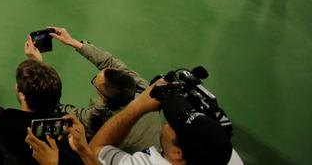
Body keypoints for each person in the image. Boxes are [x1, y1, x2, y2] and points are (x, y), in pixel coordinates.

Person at [47, 27, 160, 151]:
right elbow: (109, 62)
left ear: (104, 97)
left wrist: (41, 71)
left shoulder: (99, 120)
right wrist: (73, 42)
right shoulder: (143, 89)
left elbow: (62, 110)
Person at [86, 81, 243, 164]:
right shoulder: (226, 156)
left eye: (174, 125)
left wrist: (138, 106)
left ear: (177, 153)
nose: (167, 122)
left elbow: (95, 151)